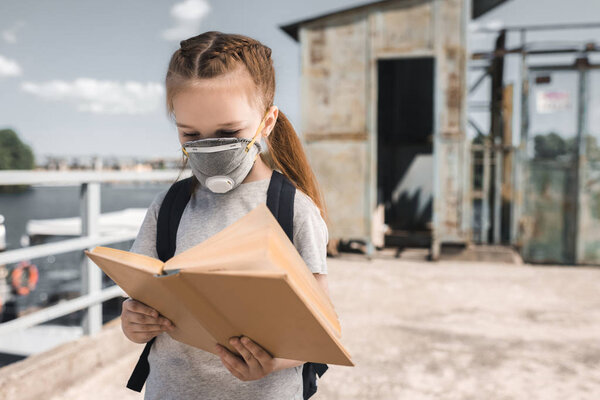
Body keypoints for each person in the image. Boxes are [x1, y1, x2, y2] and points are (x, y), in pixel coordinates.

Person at [120, 31, 334, 400]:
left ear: (266, 123)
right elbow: (142, 299)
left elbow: (323, 332)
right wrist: (133, 322)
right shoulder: (168, 206)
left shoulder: (293, 210)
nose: (208, 146)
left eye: (228, 132)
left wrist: (273, 361)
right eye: (190, 134)